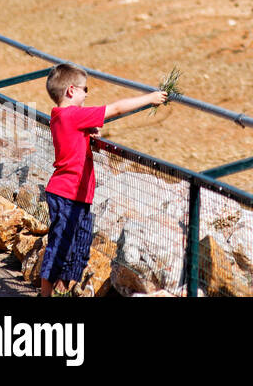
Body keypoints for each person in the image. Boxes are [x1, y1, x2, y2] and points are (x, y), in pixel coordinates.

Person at [40, 63, 167, 296]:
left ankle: (61, 289)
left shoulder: (61, 117)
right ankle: (45, 294)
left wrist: (86, 134)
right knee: (60, 246)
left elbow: (73, 142)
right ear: (71, 91)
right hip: (67, 193)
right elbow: (116, 108)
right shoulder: (73, 115)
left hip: (77, 195)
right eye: (85, 89)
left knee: (80, 244)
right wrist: (150, 98)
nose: (87, 94)